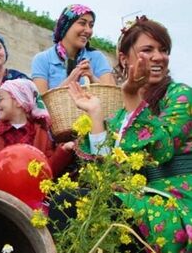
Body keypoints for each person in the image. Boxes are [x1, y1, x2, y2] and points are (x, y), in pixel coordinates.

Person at [68, 16, 191, 252]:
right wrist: (95, 114)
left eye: (163, 50)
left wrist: (132, 95)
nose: (158, 57)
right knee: (74, 201)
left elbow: (162, 149)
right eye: (148, 49)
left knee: (106, 206)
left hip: (177, 203)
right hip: (139, 200)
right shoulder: (120, 114)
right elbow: (102, 172)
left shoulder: (181, 96)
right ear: (124, 58)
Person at [0, 78, 75, 182]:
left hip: (31, 191)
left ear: (19, 101)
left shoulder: (40, 133)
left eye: (1, 99)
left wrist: (63, 151)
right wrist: (3, 172)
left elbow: (48, 167)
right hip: (0, 193)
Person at [31, 4, 115, 94]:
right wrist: (72, 79)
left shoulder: (97, 58)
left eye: (91, 25)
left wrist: (92, 78)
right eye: (82, 23)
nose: (88, 30)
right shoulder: (42, 59)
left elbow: (113, 96)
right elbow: (41, 104)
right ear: (65, 26)